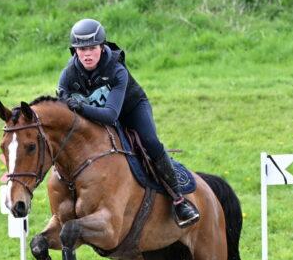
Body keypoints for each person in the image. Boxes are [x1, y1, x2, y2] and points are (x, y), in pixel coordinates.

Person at [56, 19, 201, 228]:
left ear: (102, 46)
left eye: (92, 48)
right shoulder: (68, 75)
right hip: (95, 117)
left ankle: (178, 200)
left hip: (130, 109)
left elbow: (111, 115)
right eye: (81, 49)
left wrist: (78, 107)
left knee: (150, 142)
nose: (87, 54)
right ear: (74, 51)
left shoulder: (116, 70)